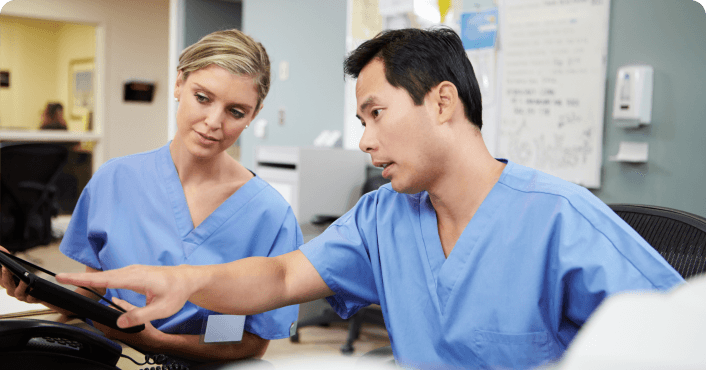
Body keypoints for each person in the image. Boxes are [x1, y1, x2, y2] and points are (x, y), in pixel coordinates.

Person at [53, 28, 684, 369]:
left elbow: (678, 340)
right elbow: (278, 275)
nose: (364, 140)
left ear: (441, 102)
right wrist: (185, 281)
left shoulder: (560, 220)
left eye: (375, 114)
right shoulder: (384, 216)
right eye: (360, 120)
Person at [1, 29, 301, 365]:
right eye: (203, 98)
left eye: (236, 112)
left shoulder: (270, 216)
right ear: (178, 85)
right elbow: (95, 292)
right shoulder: (115, 180)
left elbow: (253, 343)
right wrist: (37, 291)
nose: (213, 122)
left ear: (254, 114)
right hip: (111, 354)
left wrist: (158, 341)